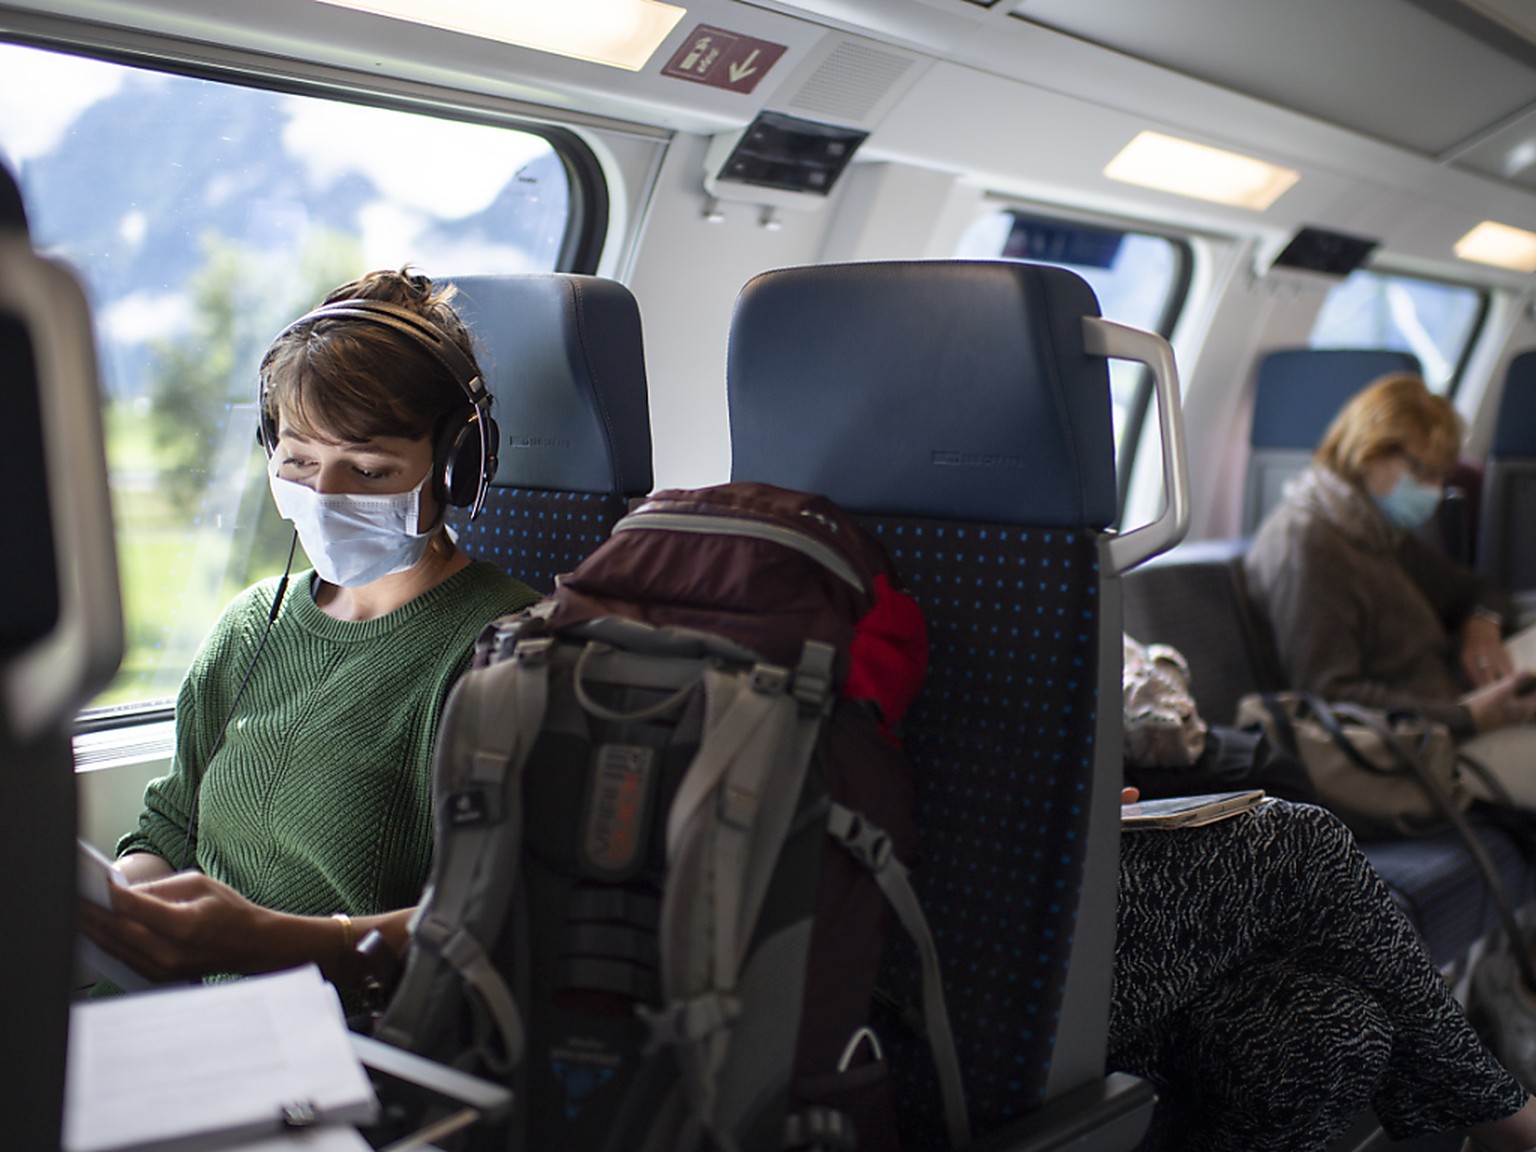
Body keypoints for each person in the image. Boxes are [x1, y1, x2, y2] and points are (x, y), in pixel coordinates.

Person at [78, 268, 539, 997]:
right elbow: (170, 828)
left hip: (362, 1045)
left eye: (368, 468)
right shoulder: (249, 625)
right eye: (298, 461)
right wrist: (120, 910)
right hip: (200, 1020)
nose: (324, 497)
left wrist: (271, 943)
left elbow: (494, 924)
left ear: (456, 470)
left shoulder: (508, 653)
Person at [1110, 789, 1536, 1151]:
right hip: (1052, 946)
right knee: (1301, 839)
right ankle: (1492, 1107)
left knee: (1333, 1028)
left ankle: (1487, 1100)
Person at [1244, 372, 1536, 797]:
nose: (1434, 492)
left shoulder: (1377, 532)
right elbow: (1328, 696)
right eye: (1423, 472)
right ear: (1368, 452)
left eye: (1441, 477)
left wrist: (1483, 622)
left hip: (1452, 717)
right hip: (1414, 752)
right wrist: (1465, 716)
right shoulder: (1310, 544)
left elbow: (1476, 590)